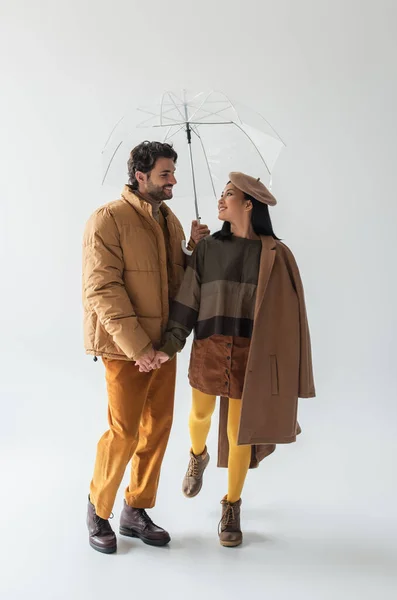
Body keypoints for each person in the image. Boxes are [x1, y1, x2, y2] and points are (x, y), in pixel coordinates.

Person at [146, 172, 316, 547]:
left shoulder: (277, 254)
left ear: (249, 204)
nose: (220, 201)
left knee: (239, 433)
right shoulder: (209, 249)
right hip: (209, 347)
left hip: (250, 356)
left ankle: (232, 504)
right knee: (200, 416)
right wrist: (170, 344)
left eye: (228, 195)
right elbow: (188, 299)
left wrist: (284, 365)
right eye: (221, 195)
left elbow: (292, 316)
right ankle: (197, 455)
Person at [82, 141, 210, 553]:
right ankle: (98, 510)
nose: (173, 181)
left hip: (162, 348)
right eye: (165, 174)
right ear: (140, 175)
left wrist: (192, 249)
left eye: (173, 173)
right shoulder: (108, 219)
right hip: (127, 351)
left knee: (156, 430)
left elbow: (175, 284)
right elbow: (103, 290)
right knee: (124, 433)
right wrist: (138, 348)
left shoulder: (168, 220)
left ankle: (135, 509)